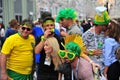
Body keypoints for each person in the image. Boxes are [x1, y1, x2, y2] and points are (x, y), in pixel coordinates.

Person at [82, 6, 110, 72]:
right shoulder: (87, 35)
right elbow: (80, 51)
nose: (107, 26)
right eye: (105, 25)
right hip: (91, 69)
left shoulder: (105, 33)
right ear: (100, 25)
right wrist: (92, 52)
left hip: (104, 69)